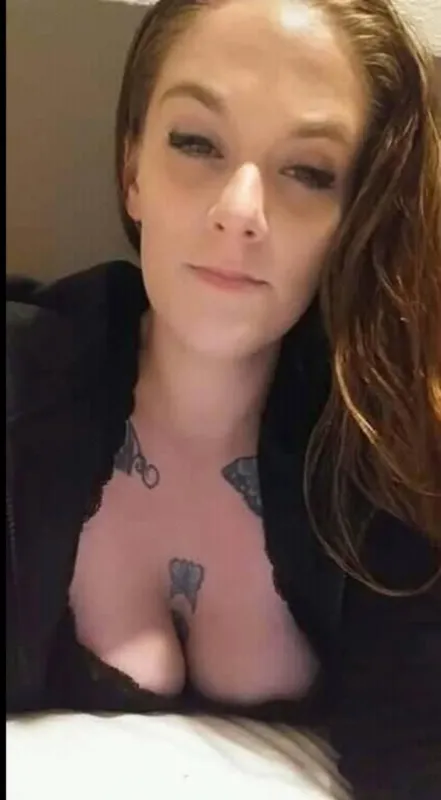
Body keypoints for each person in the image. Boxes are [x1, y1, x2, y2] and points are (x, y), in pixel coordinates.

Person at [6, 0, 441, 796]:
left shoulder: (388, 451)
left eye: (307, 172)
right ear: (132, 172)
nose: (239, 211)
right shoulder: (21, 383)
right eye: (197, 143)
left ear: (352, 217)